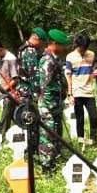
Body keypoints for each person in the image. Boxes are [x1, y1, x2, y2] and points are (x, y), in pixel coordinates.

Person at [39, 29, 69, 172]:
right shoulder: (47, 60)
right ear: (54, 43)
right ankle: (46, 166)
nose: (64, 48)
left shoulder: (55, 59)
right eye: (62, 45)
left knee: (56, 134)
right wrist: (49, 104)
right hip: (48, 105)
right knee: (47, 135)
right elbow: (44, 85)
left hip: (56, 104)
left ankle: (54, 160)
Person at [66, 33, 97, 144]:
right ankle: (81, 139)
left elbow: (92, 70)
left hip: (89, 91)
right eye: (82, 47)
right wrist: (70, 93)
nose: (84, 50)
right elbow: (68, 75)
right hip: (77, 91)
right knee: (79, 118)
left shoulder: (92, 55)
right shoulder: (70, 57)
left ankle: (93, 140)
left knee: (94, 117)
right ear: (78, 45)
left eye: (86, 47)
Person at [0, 39, 18, 129]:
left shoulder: (11, 59)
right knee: (12, 115)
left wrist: (3, 90)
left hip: (12, 92)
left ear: (0, 49)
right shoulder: (0, 58)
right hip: (5, 91)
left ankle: (2, 134)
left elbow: (15, 79)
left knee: (6, 114)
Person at [17, 27, 46, 102]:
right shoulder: (31, 51)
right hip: (29, 92)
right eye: (41, 42)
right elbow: (34, 75)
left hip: (23, 89)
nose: (41, 45)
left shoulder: (22, 48)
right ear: (37, 38)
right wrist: (38, 96)